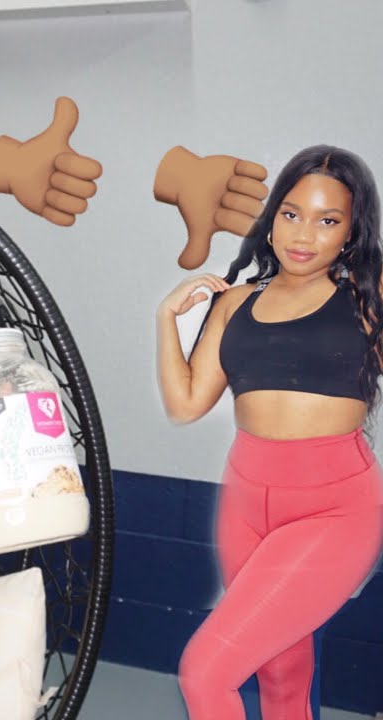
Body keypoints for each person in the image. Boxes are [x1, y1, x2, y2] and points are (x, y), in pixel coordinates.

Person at [156, 145, 383, 719]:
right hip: (245, 506)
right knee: (279, 674)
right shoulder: (235, 302)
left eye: (327, 220)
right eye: (291, 213)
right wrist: (166, 321)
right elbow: (185, 405)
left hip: (335, 510)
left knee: (205, 673)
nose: (303, 233)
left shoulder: (368, 298)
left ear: (351, 233)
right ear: (273, 217)